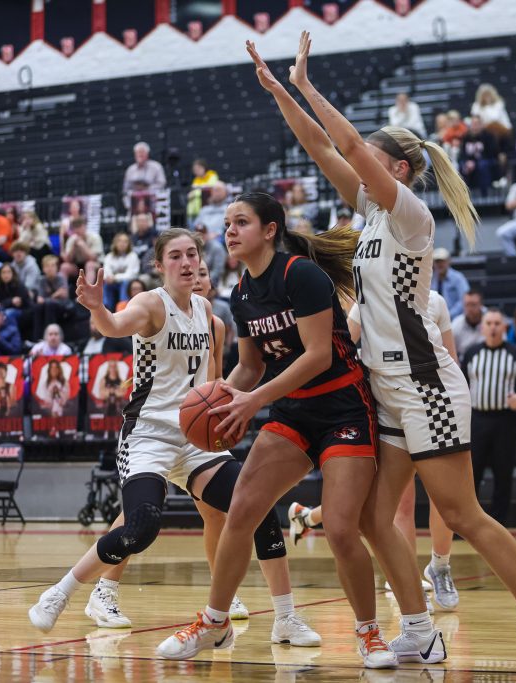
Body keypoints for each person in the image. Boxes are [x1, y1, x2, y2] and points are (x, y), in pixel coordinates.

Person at [243, 33, 516, 670]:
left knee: (461, 512)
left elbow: (346, 145)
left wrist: (308, 85)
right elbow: (322, 148)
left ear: (396, 170)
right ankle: (418, 629)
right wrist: (281, 92)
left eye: (371, 157)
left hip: (426, 383)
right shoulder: (370, 215)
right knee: (371, 517)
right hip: (383, 384)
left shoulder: (412, 214)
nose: (359, 163)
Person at [30, 228, 320, 651]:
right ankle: (61, 592)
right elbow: (114, 326)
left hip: (193, 438)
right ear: (159, 264)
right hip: (148, 434)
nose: (186, 263)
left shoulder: (208, 314)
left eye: (192, 255)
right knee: (141, 526)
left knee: (255, 504)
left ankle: (286, 618)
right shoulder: (150, 304)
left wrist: (220, 419)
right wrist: (97, 309)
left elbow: (213, 382)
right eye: (175, 256)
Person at [155, 191, 392, 667]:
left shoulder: (300, 275)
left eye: (241, 222)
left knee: (341, 528)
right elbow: (250, 366)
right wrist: (220, 398)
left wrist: (255, 399)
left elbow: (318, 355)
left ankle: (370, 633)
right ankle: (215, 621)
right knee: (242, 509)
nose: (229, 231)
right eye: (227, 223)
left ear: (269, 231)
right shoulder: (242, 293)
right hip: (293, 412)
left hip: (344, 409)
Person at [291, 290, 461, 613]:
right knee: (398, 503)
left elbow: (451, 360)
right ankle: (409, 580)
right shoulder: (367, 300)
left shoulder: (436, 301)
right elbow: (340, 351)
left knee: (444, 496)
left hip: (431, 408)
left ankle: (440, 566)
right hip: (387, 408)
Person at [464, 307, 516, 525]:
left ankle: (499, 524)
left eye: (497, 324)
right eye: (489, 323)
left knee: (503, 473)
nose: (493, 328)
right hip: (477, 419)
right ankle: (469, 523)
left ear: (504, 327)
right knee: (472, 473)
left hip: (505, 421)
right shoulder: (471, 353)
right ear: (482, 327)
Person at [458, 115, 502, 196]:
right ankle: (464, 194)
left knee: (482, 165)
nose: (474, 126)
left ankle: (485, 194)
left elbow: (492, 154)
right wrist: (467, 162)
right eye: (473, 124)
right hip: (470, 162)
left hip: (486, 161)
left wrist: (475, 163)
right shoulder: (466, 137)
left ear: (481, 125)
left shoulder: (488, 136)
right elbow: (462, 154)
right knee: (462, 166)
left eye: (477, 124)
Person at [33, 255, 73, 341]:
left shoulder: (61, 277)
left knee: (49, 304)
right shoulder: (42, 280)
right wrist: (55, 295)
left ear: (57, 267)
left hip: (64, 307)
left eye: (52, 266)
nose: (50, 268)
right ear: (43, 269)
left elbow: (64, 295)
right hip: (48, 305)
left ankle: (49, 337)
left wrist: (48, 298)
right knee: (37, 307)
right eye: (47, 266)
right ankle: (37, 339)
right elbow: (39, 299)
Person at [102, 233, 141, 311]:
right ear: (115, 243)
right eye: (119, 241)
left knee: (125, 282)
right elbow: (105, 272)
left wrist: (115, 278)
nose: (122, 244)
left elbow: (131, 275)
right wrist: (109, 278)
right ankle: (106, 308)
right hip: (113, 283)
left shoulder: (133, 256)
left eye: (125, 241)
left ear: (129, 244)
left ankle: (122, 308)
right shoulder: (109, 256)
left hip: (128, 282)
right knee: (106, 284)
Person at [122, 142, 167, 207]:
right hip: (135, 204)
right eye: (138, 153)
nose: (140, 155)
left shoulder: (156, 167)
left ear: (147, 154)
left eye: (142, 152)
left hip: (153, 202)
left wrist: (146, 189)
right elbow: (126, 190)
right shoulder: (130, 170)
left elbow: (162, 183)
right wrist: (129, 205)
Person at [429, 248, 469, 320]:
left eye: (442, 261)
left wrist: (448, 315)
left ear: (449, 261)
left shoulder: (458, 278)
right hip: (434, 319)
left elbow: (464, 299)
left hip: (455, 319)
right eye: (437, 261)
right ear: (433, 263)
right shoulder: (430, 278)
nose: (440, 264)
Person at [61, 217, 103, 281]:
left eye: (79, 227)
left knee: (89, 265)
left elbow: (93, 258)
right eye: (75, 227)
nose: (77, 230)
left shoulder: (95, 237)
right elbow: (67, 260)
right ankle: (62, 287)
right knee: (64, 267)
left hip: (96, 265)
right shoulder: (71, 239)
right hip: (78, 266)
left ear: (85, 227)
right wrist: (73, 247)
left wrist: (83, 245)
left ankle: (88, 287)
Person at [451, 289, 486, 358]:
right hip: (463, 361)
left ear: (481, 305)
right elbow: (451, 352)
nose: (470, 308)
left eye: (473, 305)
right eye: (467, 305)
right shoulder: (456, 324)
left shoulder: (491, 321)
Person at [0, 263, 31, 328]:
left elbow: (22, 303)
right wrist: (11, 301)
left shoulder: (19, 285)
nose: (6, 275)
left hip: (23, 311)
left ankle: (13, 333)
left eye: (8, 272)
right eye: (3, 272)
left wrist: (9, 302)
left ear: (13, 274)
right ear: (0, 275)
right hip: (6, 308)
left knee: (9, 313)